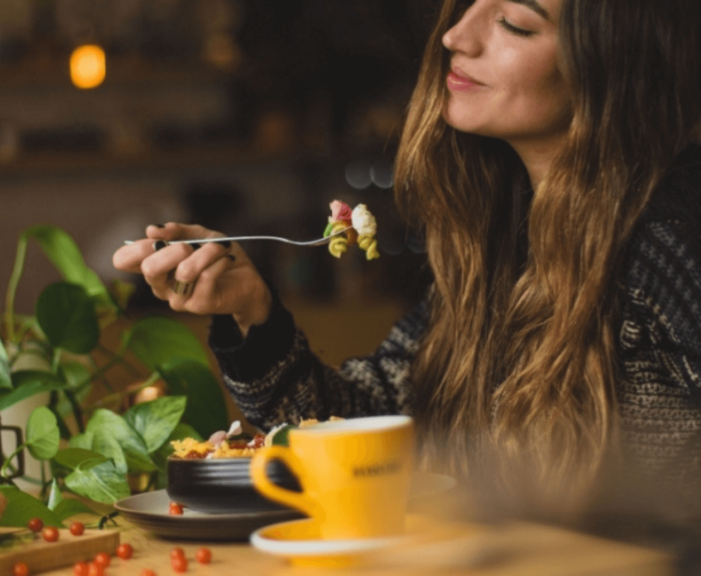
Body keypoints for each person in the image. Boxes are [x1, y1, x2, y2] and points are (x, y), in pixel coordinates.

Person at [114, 0, 701, 543]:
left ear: (613, 63)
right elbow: (373, 427)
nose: (455, 35)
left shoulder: (673, 228)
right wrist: (252, 312)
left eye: (515, 23)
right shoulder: (503, 239)